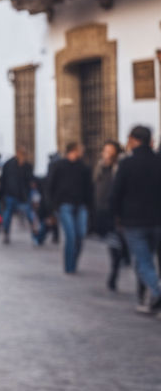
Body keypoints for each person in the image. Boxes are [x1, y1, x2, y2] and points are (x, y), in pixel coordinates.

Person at [110, 126, 161, 313]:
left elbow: (116, 193)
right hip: (157, 220)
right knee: (145, 260)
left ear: (133, 139)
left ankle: (156, 291)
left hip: (134, 221)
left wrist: (115, 216)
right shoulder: (158, 161)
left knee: (143, 260)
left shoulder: (127, 164)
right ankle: (147, 299)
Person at [48, 142, 92, 274]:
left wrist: (90, 207)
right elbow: (50, 186)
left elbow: (89, 188)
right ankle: (69, 266)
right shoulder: (59, 165)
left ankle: (74, 260)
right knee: (71, 236)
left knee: (80, 235)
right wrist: (52, 207)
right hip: (64, 205)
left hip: (80, 205)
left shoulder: (83, 167)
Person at [92, 140, 127, 290]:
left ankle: (117, 268)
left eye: (110, 151)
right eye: (105, 150)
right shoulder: (99, 166)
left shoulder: (120, 167)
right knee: (114, 244)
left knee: (119, 243)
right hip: (103, 210)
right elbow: (94, 185)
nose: (106, 154)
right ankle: (115, 270)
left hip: (117, 211)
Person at [0, 147, 37, 244]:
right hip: (11, 194)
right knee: (8, 215)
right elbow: (3, 179)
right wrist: (3, 193)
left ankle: (34, 234)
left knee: (29, 214)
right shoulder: (8, 165)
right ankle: (6, 233)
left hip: (23, 195)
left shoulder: (27, 166)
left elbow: (30, 179)